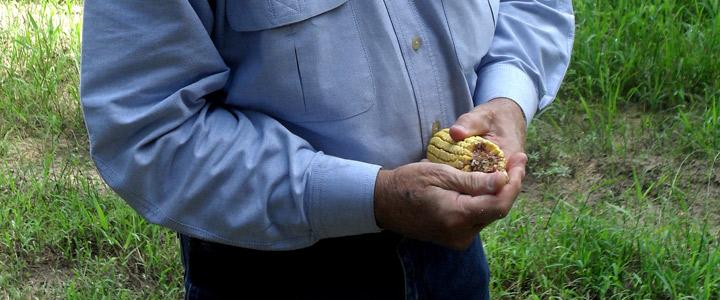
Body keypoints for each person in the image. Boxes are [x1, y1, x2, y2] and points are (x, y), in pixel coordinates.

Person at [80, 0, 574, 298]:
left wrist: (508, 97)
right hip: (271, 271)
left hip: (452, 258)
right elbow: (149, 128)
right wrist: (375, 197)